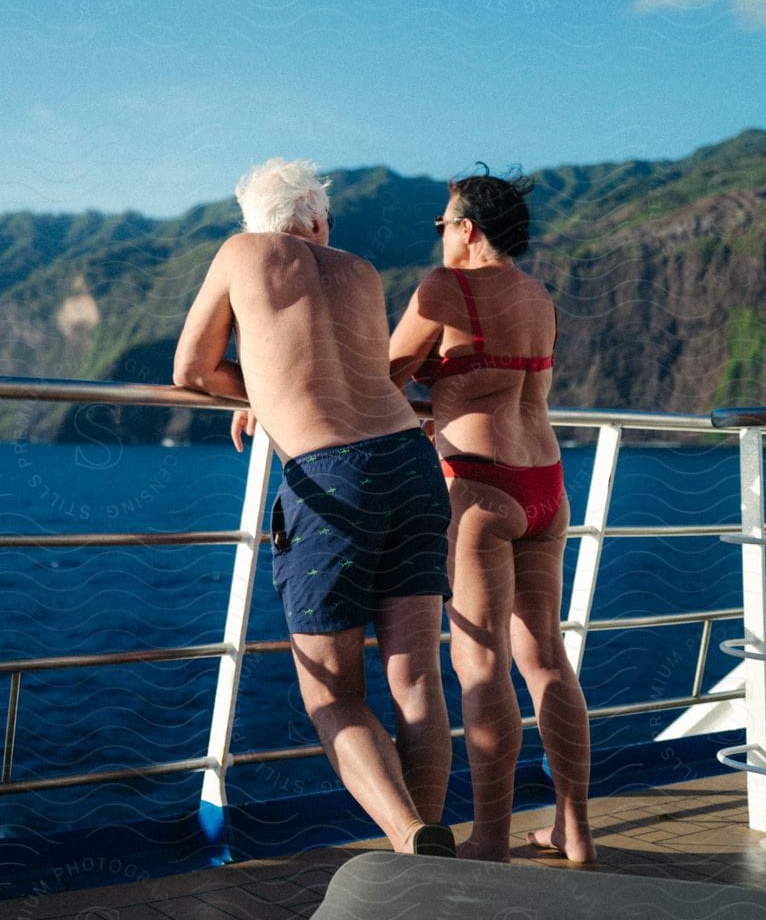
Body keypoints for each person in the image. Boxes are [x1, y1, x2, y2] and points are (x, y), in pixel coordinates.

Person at [173, 157, 456, 857]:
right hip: (411, 462)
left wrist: (260, 395)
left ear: (256, 220)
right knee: (416, 676)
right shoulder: (358, 270)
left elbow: (191, 369)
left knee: (335, 693)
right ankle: (431, 839)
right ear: (318, 220)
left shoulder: (242, 253)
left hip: (333, 478)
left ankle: (408, 835)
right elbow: (359, 369)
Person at [388, 167, 593, 864]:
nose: (440, 235)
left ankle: (493, 841)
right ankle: (575, 828)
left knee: (481, 663)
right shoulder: (539, 297)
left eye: (443, 224)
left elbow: (379, 374)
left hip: (481, 486)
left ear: (468, 230)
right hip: (547, 484)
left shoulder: (446, 288)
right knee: (546, 656)